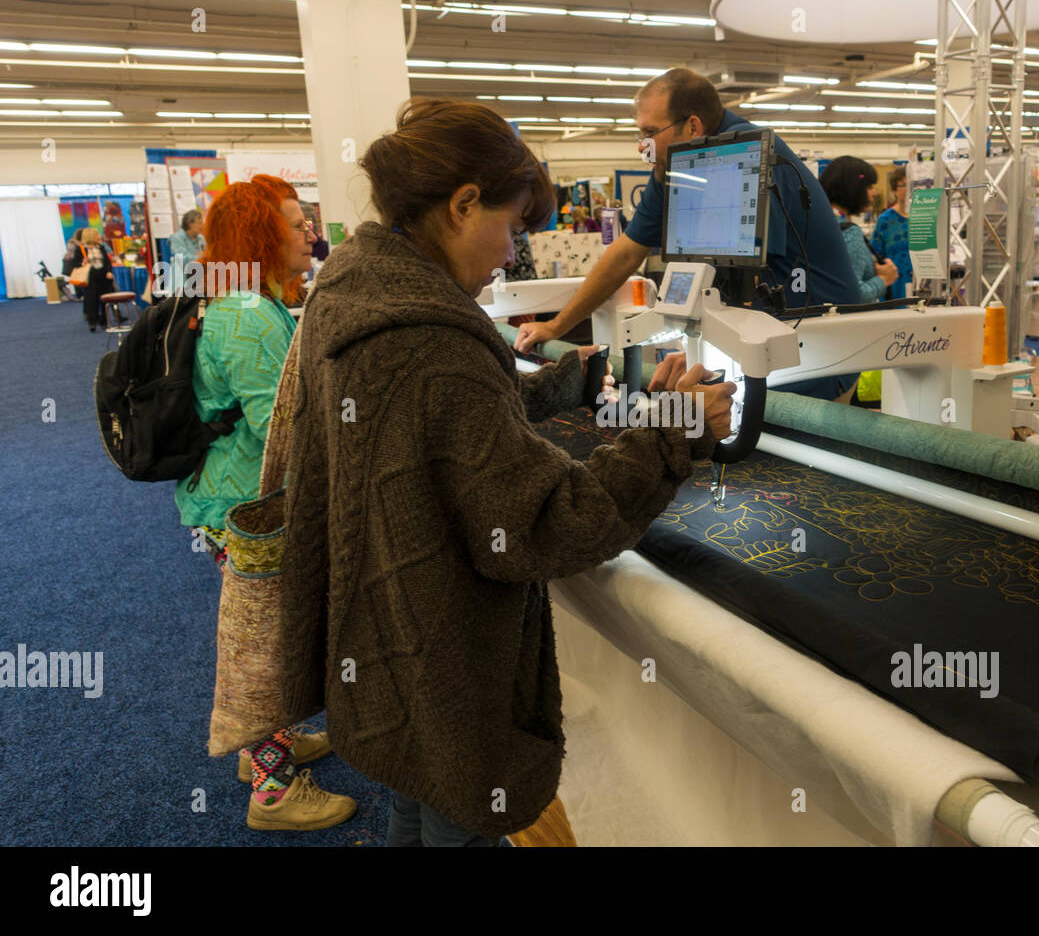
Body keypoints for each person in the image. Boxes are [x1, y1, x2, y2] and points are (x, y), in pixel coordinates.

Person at [279, 98, 736, 847]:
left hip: (381, 636)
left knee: (412, 797)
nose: (509, 254)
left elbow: (429, 422)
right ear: (463, 205)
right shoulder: (435, 339)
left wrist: (567, 379)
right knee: (457, 810)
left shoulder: (352, 288)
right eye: (511, 226)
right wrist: (673, 433)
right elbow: (543, 526)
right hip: (446, 657)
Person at [175, 175, 356, 832]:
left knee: (269, 634)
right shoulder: (249, 315)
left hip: (231, 497)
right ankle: (274, 793)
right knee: (267, 647)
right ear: (260, 236)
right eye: (294, 222)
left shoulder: (239, 301)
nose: (310, 230)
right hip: (250, 507)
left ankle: (265, 751)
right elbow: (285, 425)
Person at [511, 67, 860, 400]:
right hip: (764, 347)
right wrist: (556, 326)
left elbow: (745, 272)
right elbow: (628, 250)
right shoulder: (678, 166)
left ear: (693, 126)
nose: (641, 146)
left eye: (649, 133)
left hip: (818, 348)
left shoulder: (753, 157)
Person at [819, 156, 897, 303]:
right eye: (869, 187)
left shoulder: (821, 224)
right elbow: (854, 293)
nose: (874, 192)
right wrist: (883, 280)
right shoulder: (849, 232)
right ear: (852, 188)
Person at [870, 167, 913, 300]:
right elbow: (875, 254)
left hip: (920, 283)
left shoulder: (922, 217)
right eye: (903, 185)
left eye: (910, 184)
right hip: (894, 285)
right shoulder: (885, 220)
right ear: (894, 190)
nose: (907, 189)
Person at [81, 228, 119, 332]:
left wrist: (109, 271)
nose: (99, 236)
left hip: (103, 276)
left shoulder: (101, 247)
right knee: (91, 300)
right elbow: (75, 265)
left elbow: (107, 261)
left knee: (104, 300)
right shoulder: (82, 249)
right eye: (96, 235)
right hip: (90, 277)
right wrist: (83, 263)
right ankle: (92, 322)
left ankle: (104, 322)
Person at [167, 209, 205, 295]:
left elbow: (206, 255)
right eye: (199, 223)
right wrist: (200, 257)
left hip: (198, 279)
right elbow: (183, 259)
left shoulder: (201, 239)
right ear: (189, 224)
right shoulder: (177, 238)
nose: (201, 226)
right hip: (182, 280)